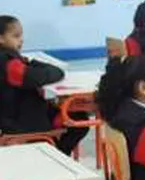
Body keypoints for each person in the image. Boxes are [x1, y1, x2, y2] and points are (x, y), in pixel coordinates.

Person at [0, 15, 89, 156]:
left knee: (77, 116)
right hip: (21, 122)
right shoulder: (10, 64)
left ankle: (57, 154)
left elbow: (35, 70)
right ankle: (58, 156)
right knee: (79, 120)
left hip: (13, 116)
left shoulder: (10, 59)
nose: (21, 40)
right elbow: (43, 76)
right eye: (16, 36)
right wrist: (48, 68)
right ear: (1, 38)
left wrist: (31, 63)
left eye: (21, 35)